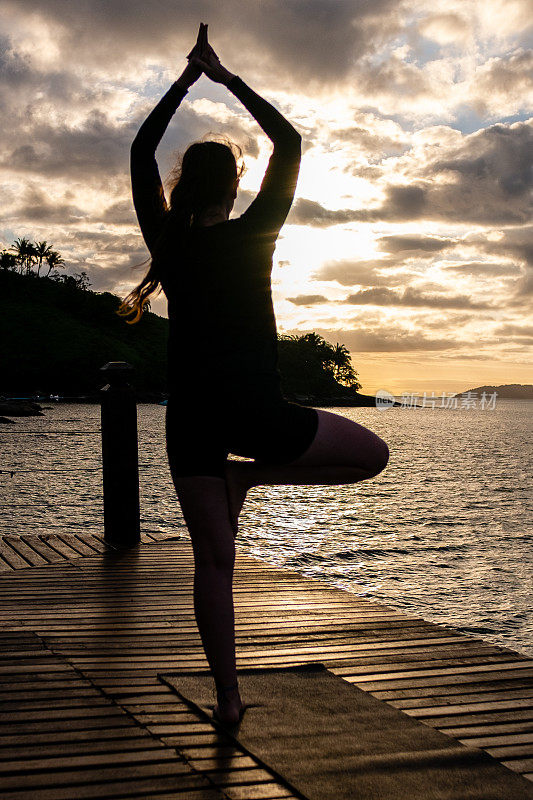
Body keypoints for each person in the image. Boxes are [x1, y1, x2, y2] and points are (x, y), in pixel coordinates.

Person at [119, 30, 389, 725]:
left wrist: (184, 82)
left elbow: (140, 153)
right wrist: (226, 77)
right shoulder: (254, 233)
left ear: (182, 189)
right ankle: (253, 477)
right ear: (236, 187)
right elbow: (290, 144)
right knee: (372, 455)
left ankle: (230, 700)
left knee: (213, 564)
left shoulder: (168, 242)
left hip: (191, 419)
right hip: (255, 413)